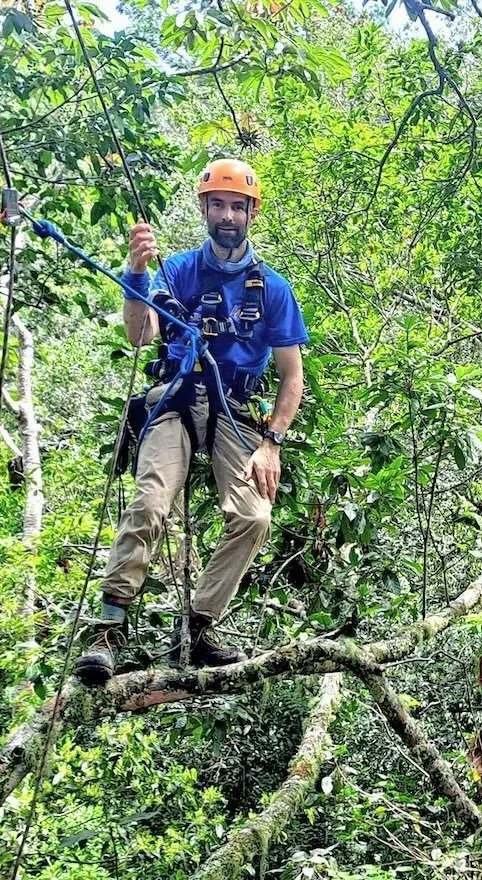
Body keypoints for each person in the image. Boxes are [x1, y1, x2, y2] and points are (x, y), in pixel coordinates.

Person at [73, 157, 307, 685]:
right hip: (175, 398)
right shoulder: (177, 271)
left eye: (237, 206)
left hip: (235, 410)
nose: (228, 215)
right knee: (150, 501)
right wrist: (136, 272)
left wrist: (270, 443)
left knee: (254, 517)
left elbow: (292, 377)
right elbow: (140, 335)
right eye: (219, 205)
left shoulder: (271, 288)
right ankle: (109, 627)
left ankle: (197, 626)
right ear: (204, 209)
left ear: (251, 213)